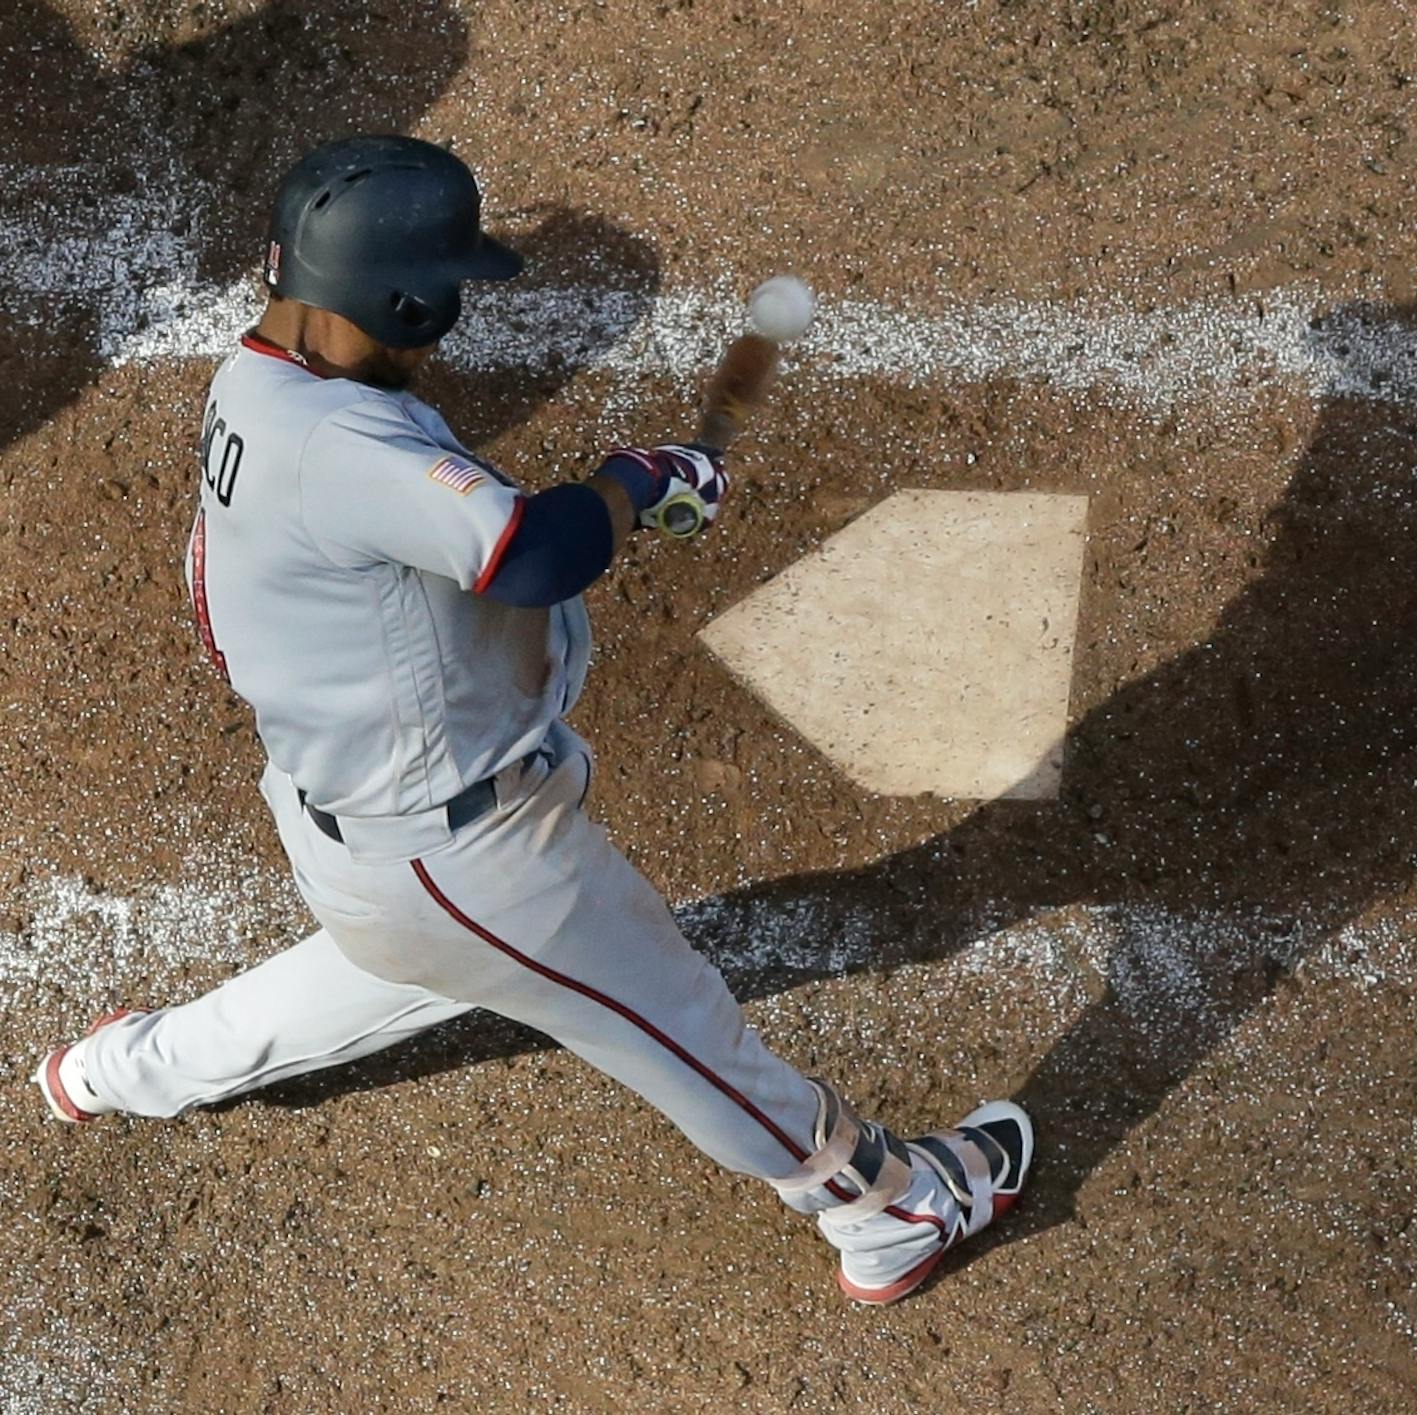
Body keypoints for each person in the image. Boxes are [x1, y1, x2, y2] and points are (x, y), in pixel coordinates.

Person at [30, 134, 1030, 1306]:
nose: (457, 305)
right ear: (402, 299)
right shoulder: (346, 445)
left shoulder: (260, 375)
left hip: (356, 832)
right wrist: (640, 483)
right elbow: (532, 553)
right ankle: (890, 1207)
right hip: (474, 863)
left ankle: (113, 1071)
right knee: (695, 1038)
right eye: (448, 288)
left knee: (379, 966)